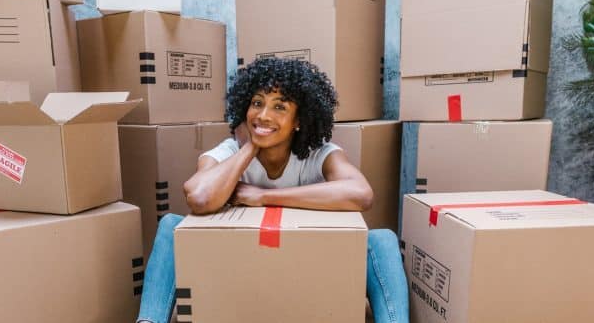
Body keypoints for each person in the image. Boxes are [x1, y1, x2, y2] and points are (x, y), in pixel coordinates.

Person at [136, 58, 409, 323]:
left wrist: (262, 196)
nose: (264, 115)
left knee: (381, 239)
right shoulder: (230, 151)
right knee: (172, 225)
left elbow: (361, 194)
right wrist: (250, 146)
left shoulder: (319, 154)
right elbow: (199, 197)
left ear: (299, 120)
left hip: (304, 269)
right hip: (241, 270)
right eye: (257, 104)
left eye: (279, 107)